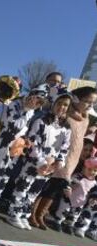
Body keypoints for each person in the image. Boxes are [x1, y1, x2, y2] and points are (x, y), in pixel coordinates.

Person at [0, 85, 49, 222]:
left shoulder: (30, 112)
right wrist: (26, 110)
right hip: (4, 144)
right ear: (31, 95)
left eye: (40, 102)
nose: (36, 103)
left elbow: (23, 128)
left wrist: (25, 139)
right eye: (37, 99)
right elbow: (12, 124)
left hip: (16, 148)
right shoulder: (14, 104)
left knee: (4, 178)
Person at [29, 86, 97, 229]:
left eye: (93, 103)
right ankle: (31, 212)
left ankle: (41, 214)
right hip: (59, 156)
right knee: (44, 186)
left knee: (55, 188)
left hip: (73, 158)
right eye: (87, 101)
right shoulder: (66, 115)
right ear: (76, 99)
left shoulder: (85, 120)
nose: (90, 106)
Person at [7, 93, 73, 230]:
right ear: (53, 104)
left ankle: (24, 214)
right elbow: (33, 143)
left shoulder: (66, 128)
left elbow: (65, 148)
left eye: (65, 105)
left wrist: (58, 162)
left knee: (34, 191)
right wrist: (42, 162)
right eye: (59, 103)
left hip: (50, 167)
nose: (62, 107)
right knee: (23, 187)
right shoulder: (41, 121)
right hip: (34, 162)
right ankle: (13, 213)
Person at [48, 158, 97, 233]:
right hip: (69, 198)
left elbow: (92, 193)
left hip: (81, 202)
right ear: (84, 168)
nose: (92, 172)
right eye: (89, 169)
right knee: (64, 210)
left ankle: (69, 224)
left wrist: (92, 199)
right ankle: (57, 221)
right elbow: (70, 183)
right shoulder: (78, 176)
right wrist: (70, 187)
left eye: (95, 171)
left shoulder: (94, 183)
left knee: (75, 214)